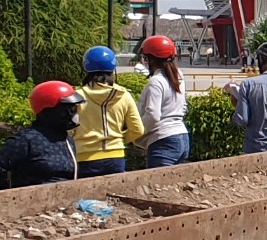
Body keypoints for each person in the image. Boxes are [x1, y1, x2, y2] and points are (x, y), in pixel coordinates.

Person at [0, 81, 85, 190]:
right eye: (69, 108)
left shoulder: (67, 140)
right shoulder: (26, 140)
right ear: (50, 110)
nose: (73, 114)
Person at [69, 46, 144, 179]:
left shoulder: (77, 96)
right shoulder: (124, 95)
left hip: (85, 158)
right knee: (114, 198)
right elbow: (137, 129)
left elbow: (69, 130)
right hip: (116, 158)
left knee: (86, 199)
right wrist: (118, 140)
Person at [138, 35, 191, 168]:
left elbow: (153, 115)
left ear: (151, 59)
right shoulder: (178, 75)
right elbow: (184, 106)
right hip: (182, 137)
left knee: (156, 187)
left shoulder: (156, 82)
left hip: (163, 141)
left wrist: (136, 133)